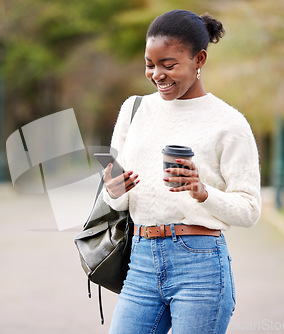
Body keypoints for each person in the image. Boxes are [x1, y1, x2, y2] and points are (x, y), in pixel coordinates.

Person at [102, 9, 261, 334]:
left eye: (169, 65)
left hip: (200, 265)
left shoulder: (229, 123)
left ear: (199, 59)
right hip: (141, 260)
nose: (157, 74)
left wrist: (202, 192)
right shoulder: (133, 110)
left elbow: (249, 210)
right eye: (150, 64)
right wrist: (113, 190)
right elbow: (118, 203)